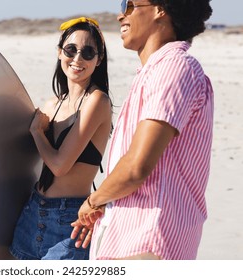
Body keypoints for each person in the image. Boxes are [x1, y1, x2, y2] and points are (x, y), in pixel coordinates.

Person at [71, 0, 214, 260]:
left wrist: (93, 201)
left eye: (129, 5)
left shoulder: (174, 67)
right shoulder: (153, 72)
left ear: (160, 9)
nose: (119, 15)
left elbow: (136, 167)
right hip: (131, 238)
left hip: (150, 239)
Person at [9, 17, 112, 260]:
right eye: (71, 50)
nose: (78, 59)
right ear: (59, 52)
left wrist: (36, 132)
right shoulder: (52, 104)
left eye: (88, 52)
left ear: (98, 60)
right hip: (32, 212)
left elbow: (59, 165)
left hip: (69, 222)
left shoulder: (97, 101)